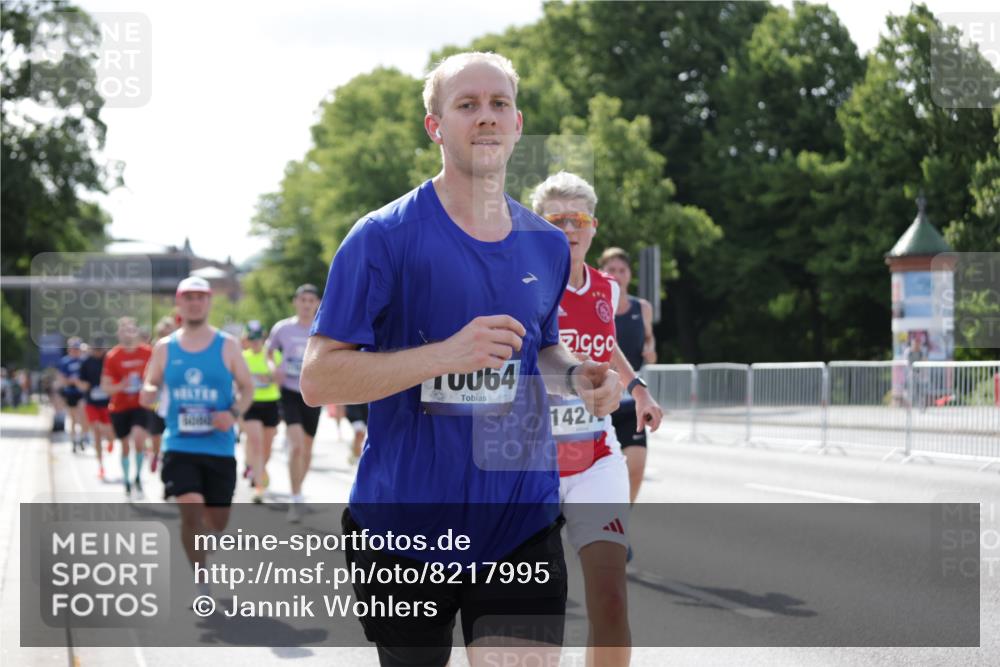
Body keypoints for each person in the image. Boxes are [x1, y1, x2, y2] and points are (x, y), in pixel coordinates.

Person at [301, 51, 621, 667]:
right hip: (404, 529)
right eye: (467, 105)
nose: (486, 117)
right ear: (435, 126)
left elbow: (541, 348)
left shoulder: (547, 245)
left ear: (518, 124)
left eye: (500, 104)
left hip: (519, 523)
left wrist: (577, 377)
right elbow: (318, 379)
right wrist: (444, 355)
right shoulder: (383, 236)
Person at [531, 171, 663, 666]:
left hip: (594, 458)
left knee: (610, 600)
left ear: (593, 226)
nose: (569, 228)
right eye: (556, 220)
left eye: (578, 219)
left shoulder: (606, 287)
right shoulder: (522, 284)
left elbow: (607, 347)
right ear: (538, 226)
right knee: (531, 612)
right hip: (528, 465)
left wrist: (638, 388)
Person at [140, 276, 253, 597]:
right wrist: (148, 391)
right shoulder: (165, 347)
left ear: (208, 302)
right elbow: (151, 382)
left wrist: (232, 413)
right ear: (179, 303)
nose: (194, 303)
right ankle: (201, 580)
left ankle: (208, 533)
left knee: (217, 521)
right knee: (190, 509)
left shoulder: (227, 345)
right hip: (179, 444)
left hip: (219, 446)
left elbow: (247, 388)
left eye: (200, 297)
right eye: (188, 297)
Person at [599, 246, 659, 504]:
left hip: (631, 403)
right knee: (598, 476)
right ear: (601, 271)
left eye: (622, 270)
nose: (617, 274)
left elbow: (650, 342)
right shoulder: (595, 304)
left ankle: (623, 519)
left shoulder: (642, 307)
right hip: (599, 402)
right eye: (611, 269)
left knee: (635, 469)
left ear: (629, 274)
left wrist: (650, 349)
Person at [267, 284, 322, 522]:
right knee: (297, 445)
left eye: (311, 300)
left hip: (314, 393)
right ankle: (295, 497)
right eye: (303, 300)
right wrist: (274, 368)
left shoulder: (323, 329)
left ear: (317, 304)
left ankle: (298, 490)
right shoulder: (283, 328)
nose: (307, 304)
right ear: (295, 302)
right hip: (289, 392)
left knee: (307, 449)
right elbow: (269, 353)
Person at [102, 317, 153, 498]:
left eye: (131, 330)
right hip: (119, 407)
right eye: (124, 330)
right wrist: (121, 385)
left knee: (139, 440)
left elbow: (158, 377)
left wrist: (150, 387)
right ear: (119, 334)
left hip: (141, 405)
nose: (128, 334)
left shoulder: (148, 352)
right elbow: (105, 386)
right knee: (124, 446)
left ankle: (137, 477)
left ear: (136, 332)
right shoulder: (113, 356)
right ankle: (126, 480)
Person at [242, 320, 281, 503]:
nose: (256, 342)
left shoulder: (272, 355)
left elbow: (281, 378)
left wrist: (271, 376)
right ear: (247, 340)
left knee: (267, 447)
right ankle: (258, 487)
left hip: (271, 403)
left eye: (258, 338)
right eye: (252, 339)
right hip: (251, 404)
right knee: (256, 442)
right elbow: (237, 381)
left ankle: (259, 469)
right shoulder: (242, 357)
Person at [146, 315, 178, 472]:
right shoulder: (157, 350)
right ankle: (156, 453)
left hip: (176, 402)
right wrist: (149, 389)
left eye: (169, 333)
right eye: (163, 334)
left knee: (171, 433)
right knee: (156, 433)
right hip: (158, 401)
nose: (166, 337)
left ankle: (166, 458)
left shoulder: (181, 349)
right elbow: (149, 377)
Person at [78, 337, 112, 479]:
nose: (98, 352)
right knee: (96, 431)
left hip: (108, 403)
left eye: (100, 349)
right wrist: (85, 386)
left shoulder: (109, 360)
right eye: (95, 349)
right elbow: (81, 382)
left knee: (108, 431)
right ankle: (100, 466)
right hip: (91, 402)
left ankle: (110, 440)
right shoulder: (86, 362)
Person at [57, 337, 88, 451]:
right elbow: (61, 379)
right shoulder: (65, 361)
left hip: (82, 393)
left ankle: (83, 437)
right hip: (70, 392)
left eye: (77, 349)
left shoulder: (84, 361)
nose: (75, 351)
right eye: (73, 349)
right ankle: (74, 440)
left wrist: (80, 382)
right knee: (73, 418)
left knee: (83, 415)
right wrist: (72, 381)